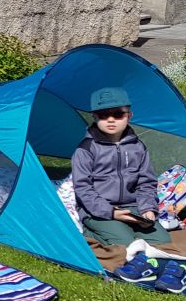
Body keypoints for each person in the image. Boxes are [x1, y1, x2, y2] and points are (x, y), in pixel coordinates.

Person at [72, 86, 171, 279]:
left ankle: (123, 229)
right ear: (94, 117)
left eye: (118, 114)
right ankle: (90, 231)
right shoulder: (85, 149)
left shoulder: (137, 147)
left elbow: (146, 182)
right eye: (103, 115)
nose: (111, 119)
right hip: (99, 211)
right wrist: (111, 213)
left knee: (162, 239)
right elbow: (83, 188)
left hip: (131, 207)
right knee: (125, 243)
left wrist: (147, 209)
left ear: (129, 115)